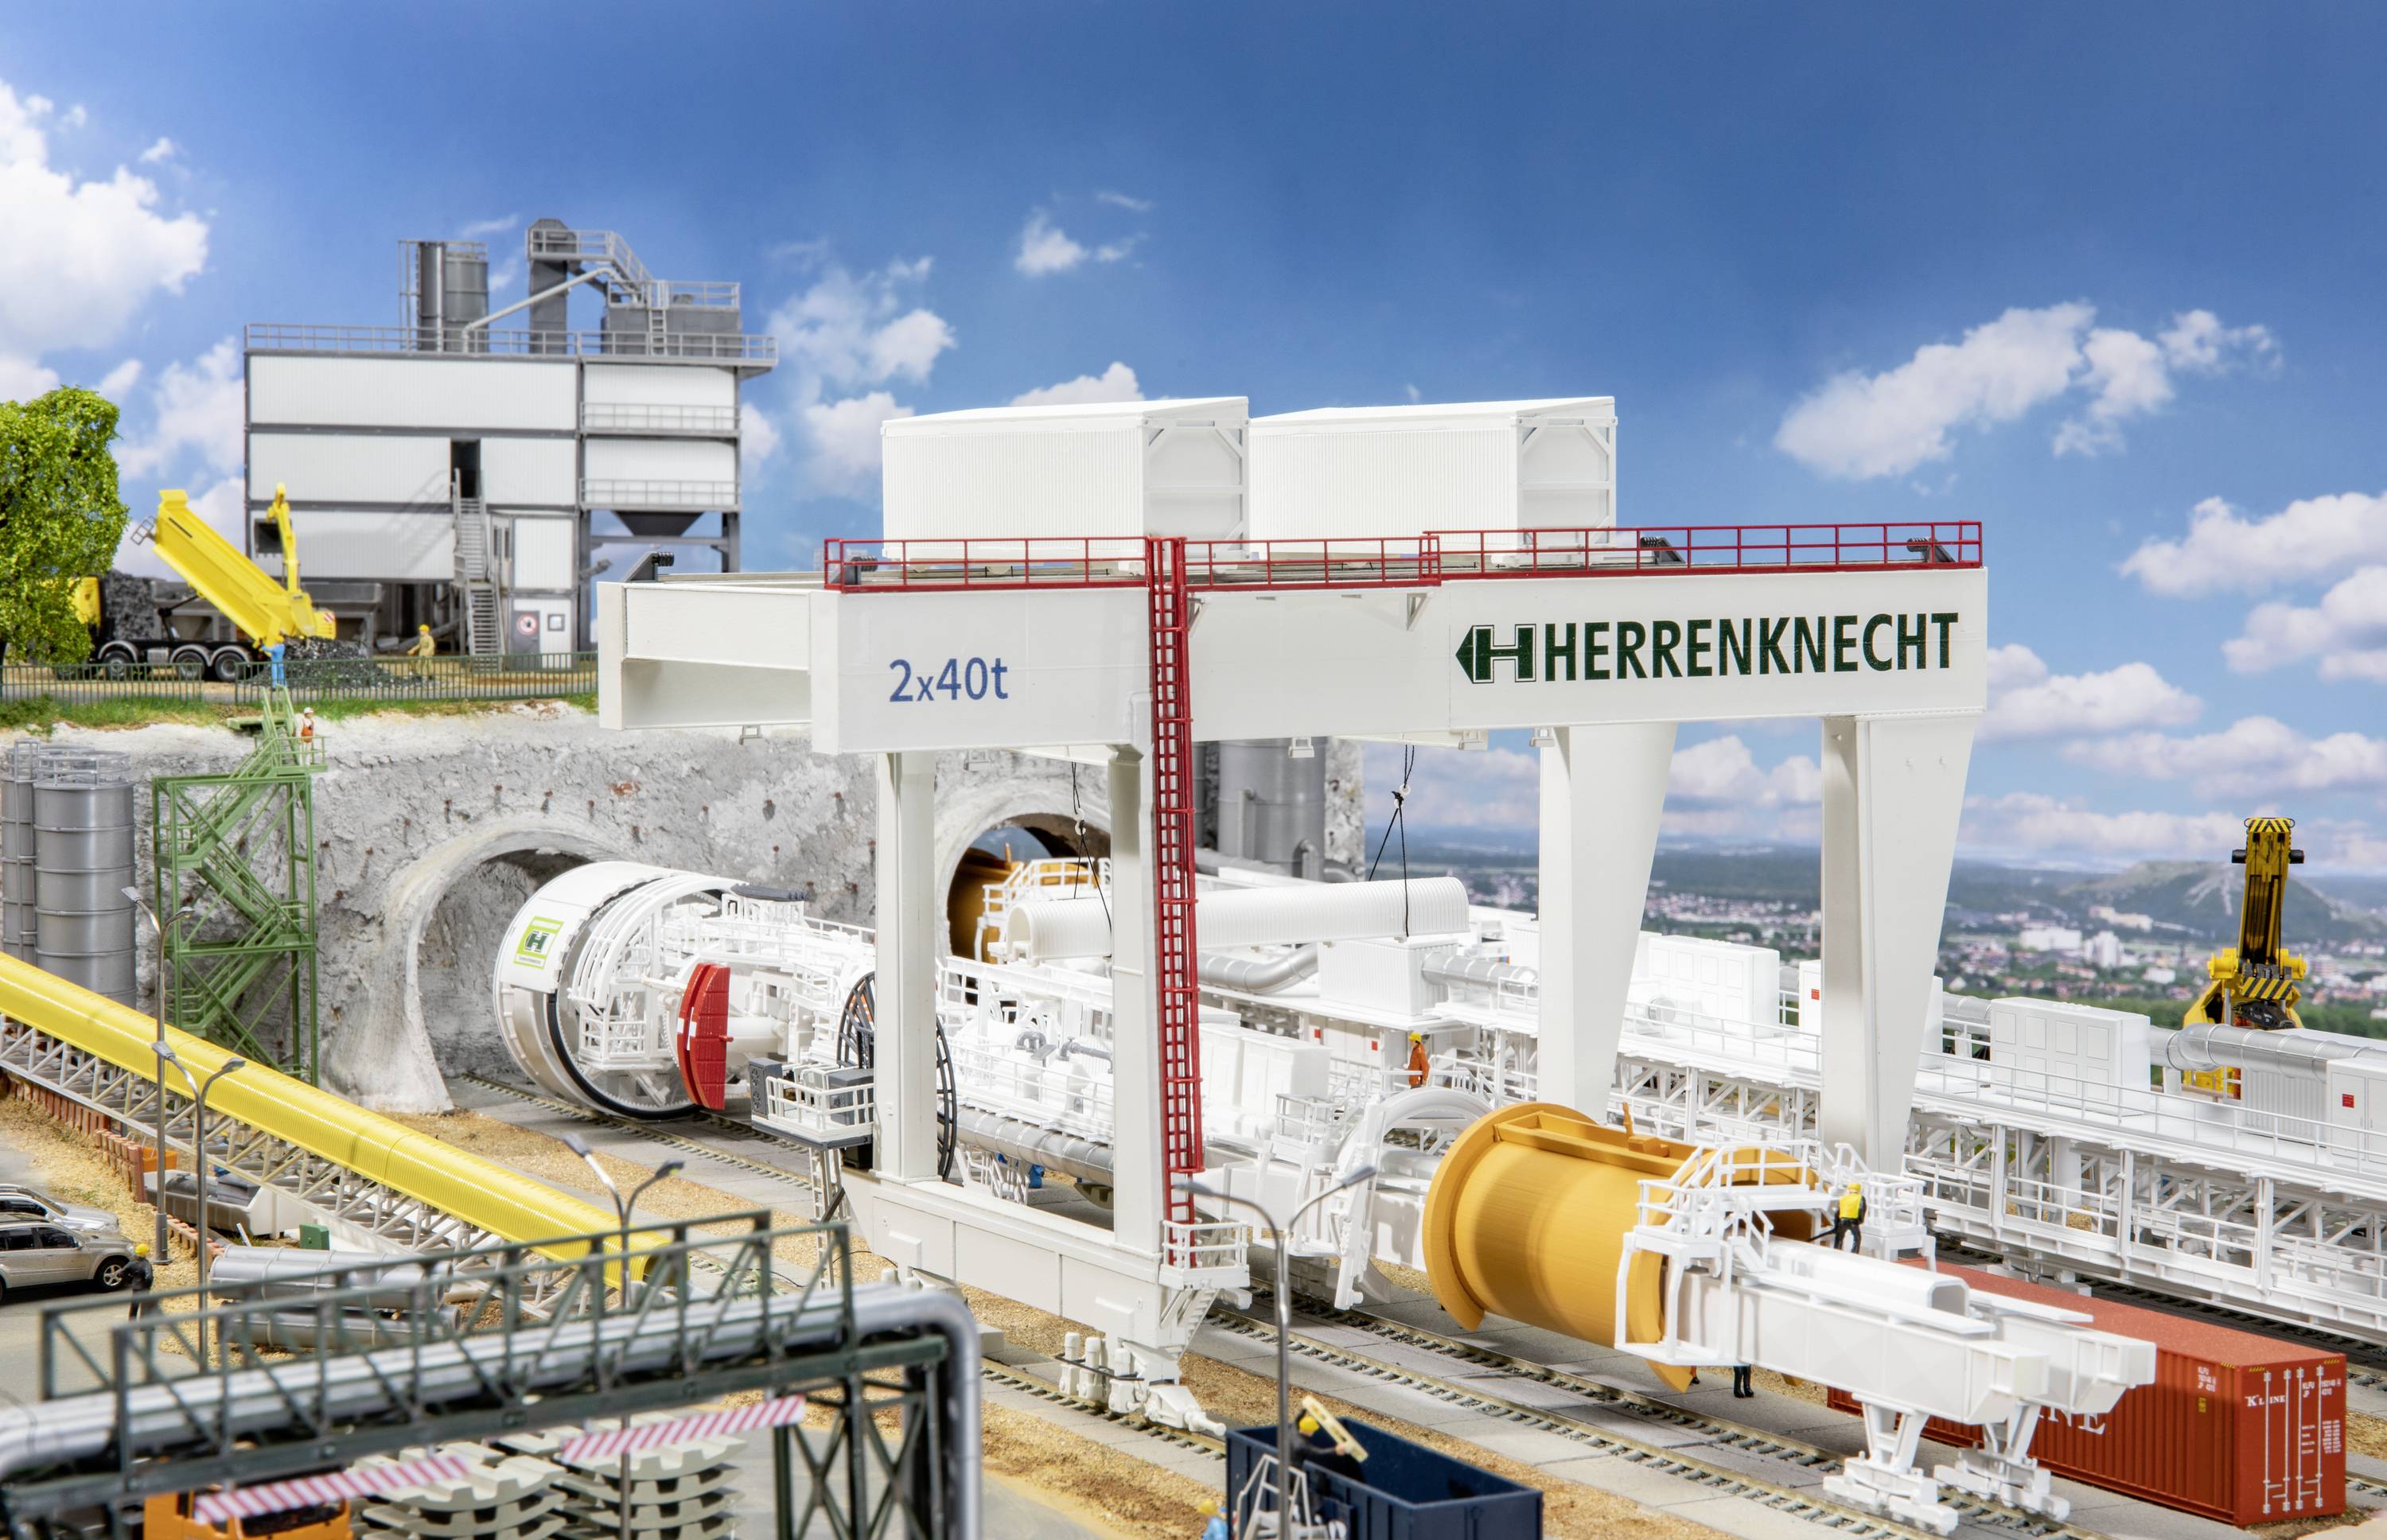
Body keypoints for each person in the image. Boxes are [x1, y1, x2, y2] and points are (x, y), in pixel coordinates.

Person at [1829, 1181, 1867, 1252]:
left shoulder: (1843, 1198)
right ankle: (1854, 1253)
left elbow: (1837, 1212)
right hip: (1854, 1221)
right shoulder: (1860, 1198)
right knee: (1857, 1238)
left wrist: (1836, 1225)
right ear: (1858, 1190)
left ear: (1849, 1190)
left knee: (1839, 1237)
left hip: (1842, 1221)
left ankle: (1836, 1252)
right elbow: (1862, 1209)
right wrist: (1860, 1220)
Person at [124, 1242, 155, 1318]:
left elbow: (121, 1273)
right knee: (144, 1306)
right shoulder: (146, 1264)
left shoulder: (132, 1263)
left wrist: (130, 1280)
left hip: (135, 1287)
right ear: (145, 1254)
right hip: (144, 1288)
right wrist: (148, 1285)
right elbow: (149, 1277)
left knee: (134, 1306)